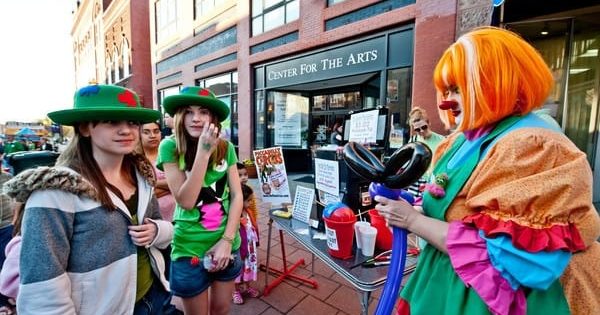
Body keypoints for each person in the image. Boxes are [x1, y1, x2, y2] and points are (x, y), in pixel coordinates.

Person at [374, 27, 600, 315]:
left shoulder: (531, 146)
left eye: (457, 89)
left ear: (494, 82)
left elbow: (509, 260)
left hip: (508, 301)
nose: (445, 101)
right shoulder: (462, 140)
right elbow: (458, 209)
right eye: (446, 90)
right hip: (448, 285)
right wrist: (418, 211)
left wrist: (411, 222)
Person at [3, 84, 177, 315]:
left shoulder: (142, 176)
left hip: (155, 297)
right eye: (112, 121)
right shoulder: (53, 193)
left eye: (132, 122)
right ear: (85, 128)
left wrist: (157, 231)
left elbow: (163, 226)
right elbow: (42, 286)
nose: (126, 130)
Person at [157, 86, 243, 315]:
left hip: (226, 245)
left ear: (212, 117)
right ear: (179, 116)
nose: (195, 118)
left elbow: (237, 196)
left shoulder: (226, 148)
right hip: (189, 248)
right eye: (188, 111)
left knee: (221, 310)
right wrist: (204, 153)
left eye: (203, 112)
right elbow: (186, 201)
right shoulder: (170, 147)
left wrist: (227, 240)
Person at [139, 121, 176, 222]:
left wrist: (152, 183)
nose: (152, 136)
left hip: (179, 218)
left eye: (156, 131)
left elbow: (182, 184)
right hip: (152, 223)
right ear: (138, 135)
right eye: (146, 132)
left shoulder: (172, 154)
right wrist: (170, 186)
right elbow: (140, 194)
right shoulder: (134, 160)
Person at [406, 107, 445, 198]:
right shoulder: (413, 140)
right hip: (415, 181)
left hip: (433, 181)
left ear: (428, 123)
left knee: (427, 208)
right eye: (417, 130)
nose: (422, 131)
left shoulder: (442, 141)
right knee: (412, 205)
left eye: (424, 127)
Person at [232, 184, 260, 304]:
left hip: (249, 247)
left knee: (249, 266)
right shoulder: (233, 215)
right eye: (248, 200)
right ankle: (235, 291)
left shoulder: (247, 211)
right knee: (238, 268)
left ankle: (247, 286)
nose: (250, 202)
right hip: (239, 248)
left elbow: (253, 226)